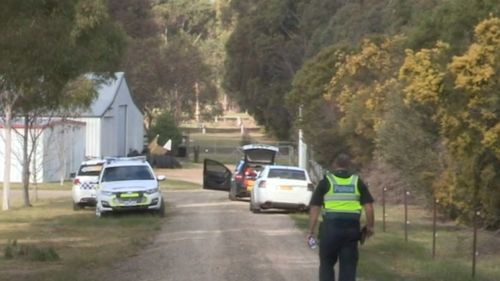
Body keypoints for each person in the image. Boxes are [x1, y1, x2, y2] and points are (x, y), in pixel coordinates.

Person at [307, 153, 375, 281]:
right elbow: (369, 207)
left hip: (330, 230)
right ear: (349, 165)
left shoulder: (326, 182)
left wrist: (311, 231)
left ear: (334, 165)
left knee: (326, 265)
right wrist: (370, 226)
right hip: (351, 230)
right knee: (348, 267)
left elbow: (315, 208)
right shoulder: (357, 182)